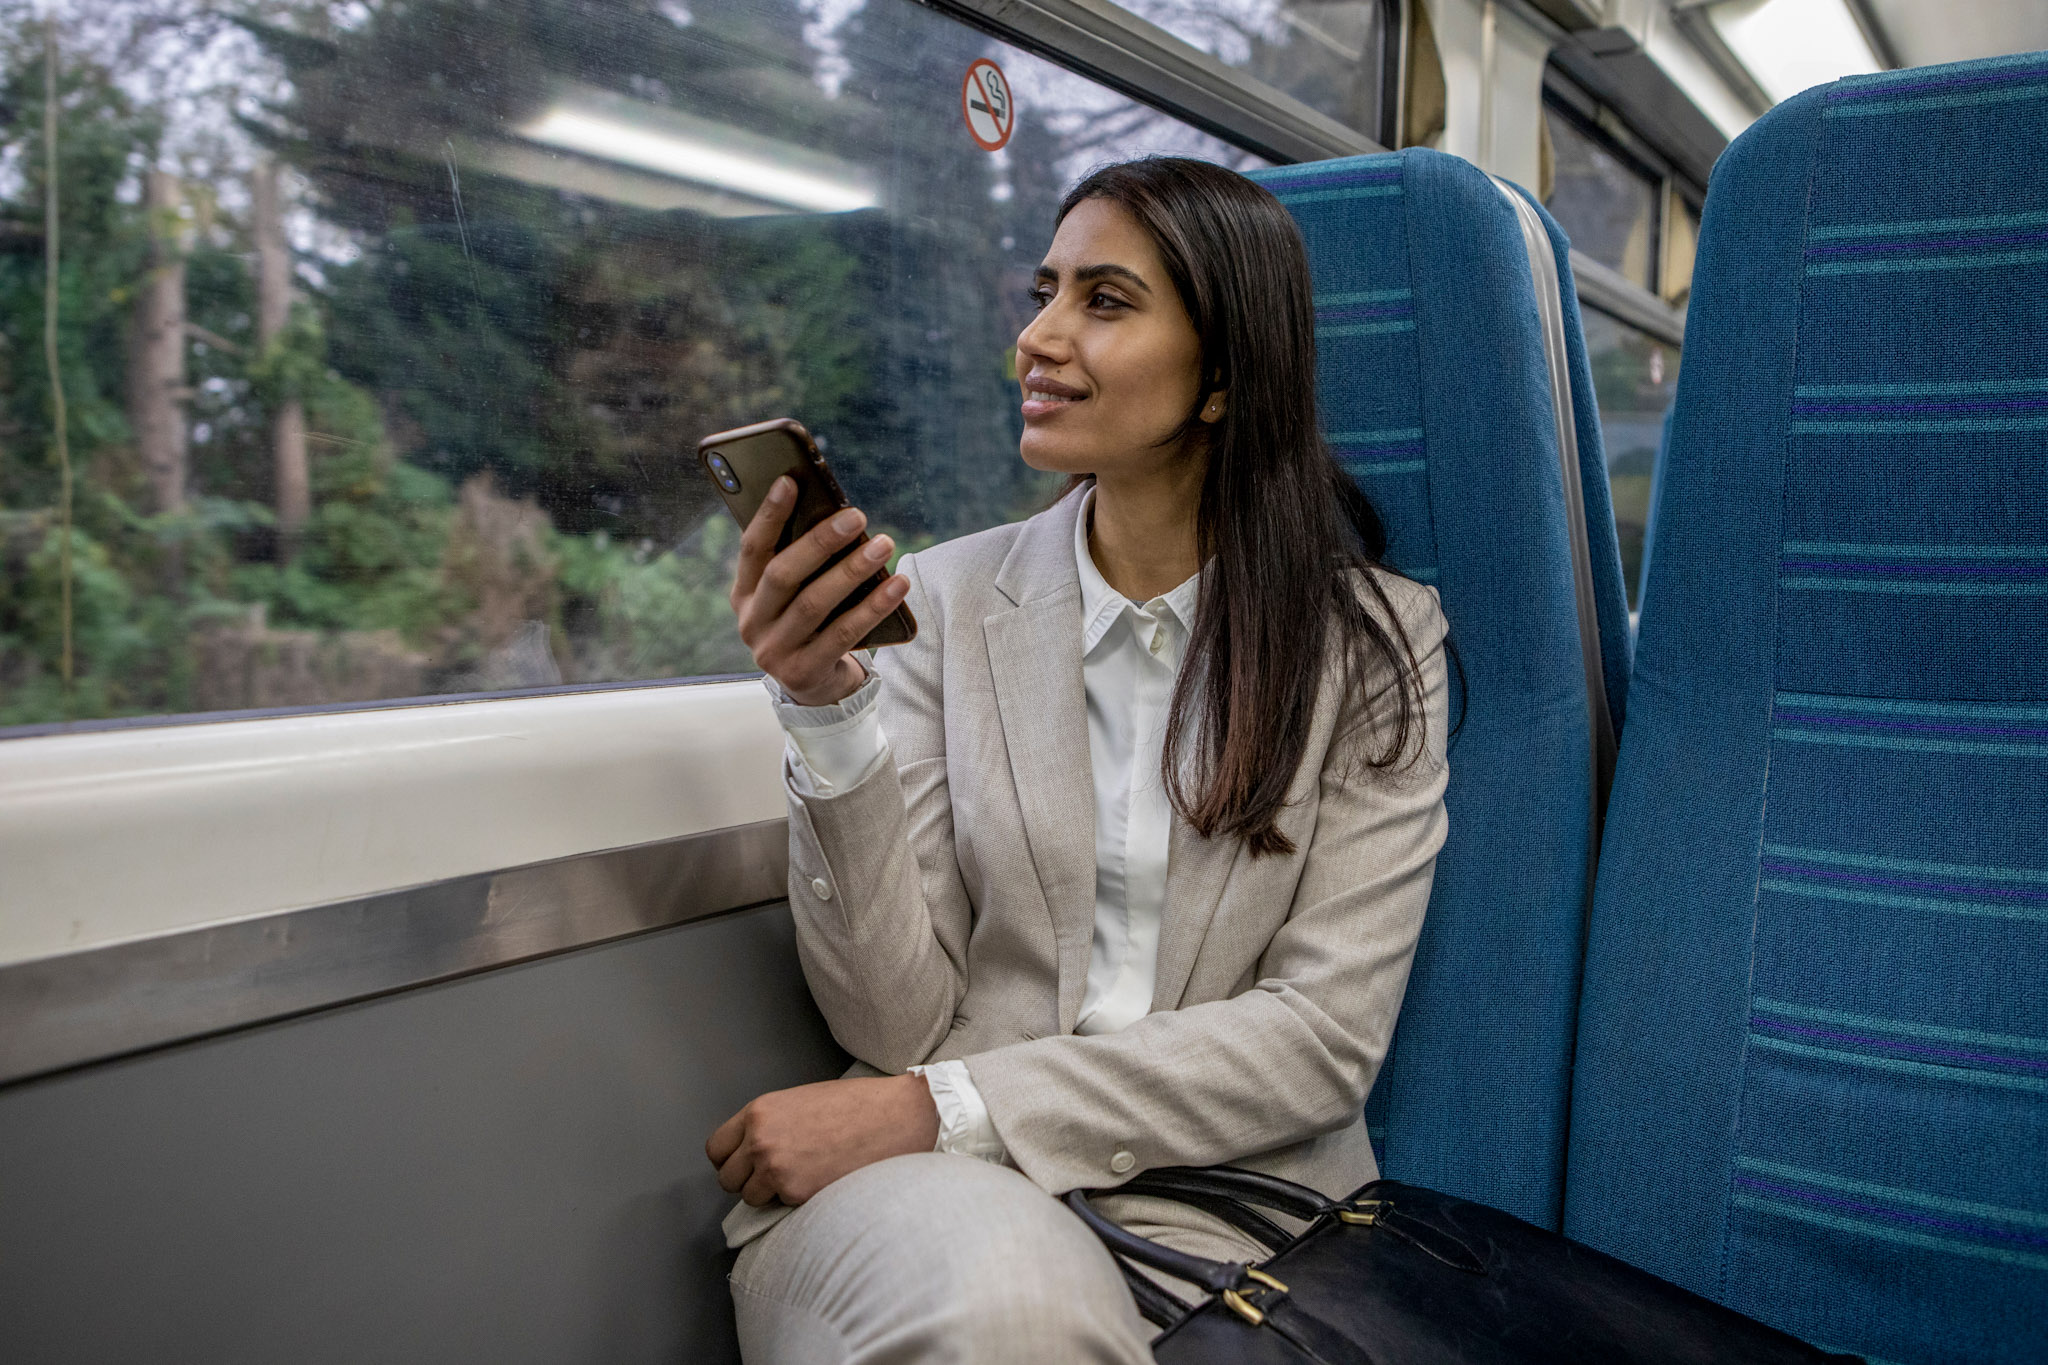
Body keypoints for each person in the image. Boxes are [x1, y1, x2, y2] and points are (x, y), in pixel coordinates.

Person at [706, 156, 1450, 1363]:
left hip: (1231, 1203)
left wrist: (945, 1105)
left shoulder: (1372, 644)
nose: (1038, 338)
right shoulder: (945, 601)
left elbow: (1320, 1039)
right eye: (1044, 290)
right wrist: (824, 710)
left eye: (1103, 302)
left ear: (1221, 377)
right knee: (1012, 1312)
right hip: (943, 1197)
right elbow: (890, 1016)